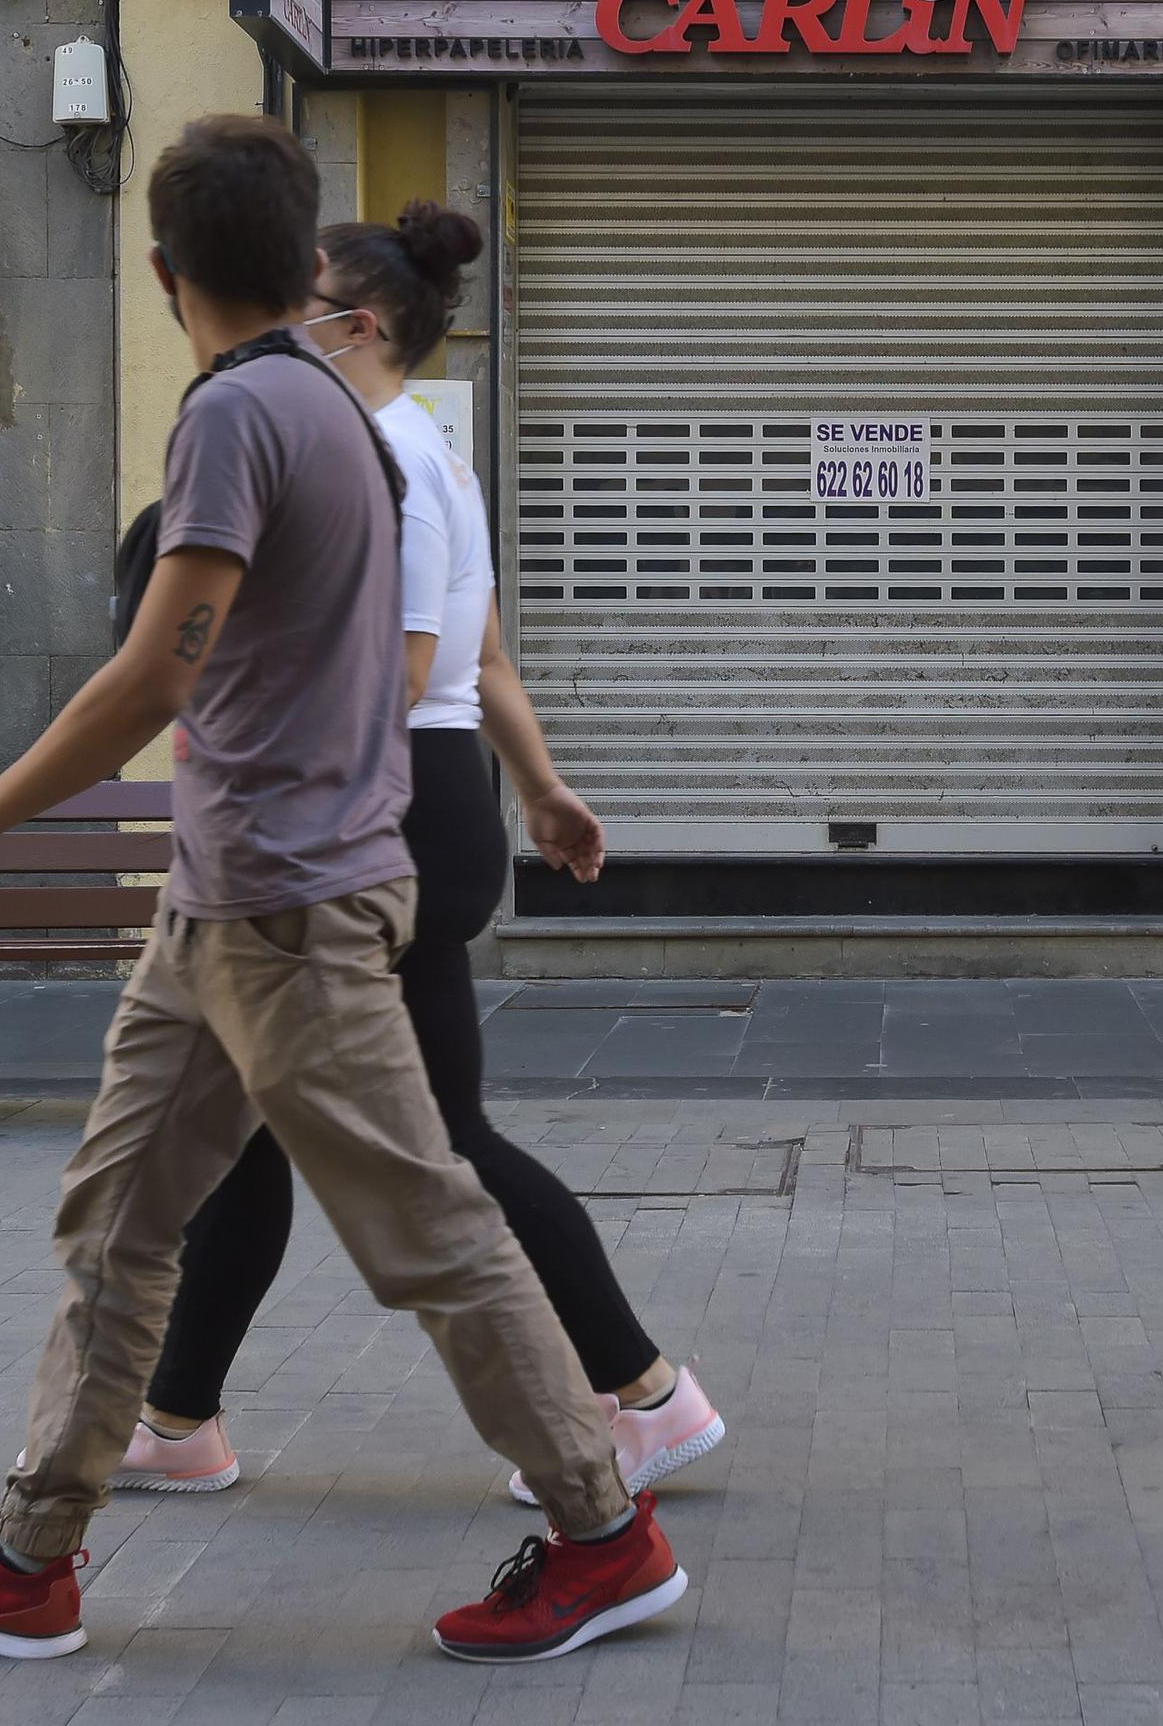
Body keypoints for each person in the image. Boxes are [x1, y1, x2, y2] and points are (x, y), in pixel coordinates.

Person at [0, 115, 686, 1667]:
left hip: (288, 911)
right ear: (303, 265)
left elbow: (154, 674)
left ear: (161, 273)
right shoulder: (345, 415)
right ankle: (32, 1553)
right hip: (227, 907)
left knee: (428, 1227)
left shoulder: (242, 415)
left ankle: (602, 1531)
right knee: (116, 1224)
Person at [116, 202, 725, 1511]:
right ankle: (176, 1416)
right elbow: (485, 657)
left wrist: (268, 795)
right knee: (247, 1132)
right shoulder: (425, 449)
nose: (281, 314)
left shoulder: (375, 450)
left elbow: (379, 678)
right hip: (420, 798)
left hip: (368, 808)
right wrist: (545, 790)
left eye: (306, 296)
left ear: (359, 324)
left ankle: (644, 1395)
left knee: (435, 1143)